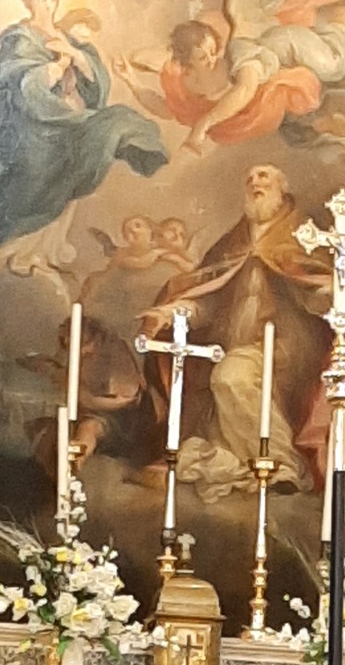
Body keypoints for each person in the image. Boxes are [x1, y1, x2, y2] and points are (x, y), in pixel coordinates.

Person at [137, 163, 332, 494]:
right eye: (250, 178)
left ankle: (281, 462)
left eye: (264, 176)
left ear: (282, 189)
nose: (255, 182)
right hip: (233, 345)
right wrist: (171, 313)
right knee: (217, 394)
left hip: (284, 348)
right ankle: (248, 463)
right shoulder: (233, 243)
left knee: (231, 377)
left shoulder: (301, 237)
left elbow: (314, 289)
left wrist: (327, 294)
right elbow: (208, 301)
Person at [0, 0, 168, 266]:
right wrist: (59, 66)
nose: (47, 3)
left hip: (68, 122)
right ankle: (18, 250)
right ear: (28, 2)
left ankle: (46, 251)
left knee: (113, 124)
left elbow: (97, 85)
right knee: (39, 182)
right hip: (33, 129)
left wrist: (74, 54)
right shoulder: (20, 39)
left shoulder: (68, 38)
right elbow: (25, 86)